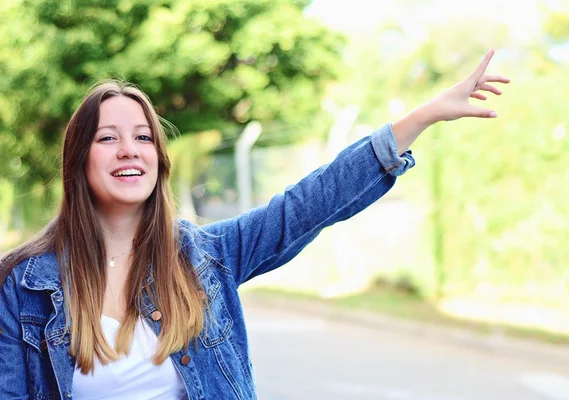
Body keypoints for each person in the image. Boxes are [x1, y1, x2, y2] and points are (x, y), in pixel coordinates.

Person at [0, 48, 509, 400]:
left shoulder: (205, 258)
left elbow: (306, 205)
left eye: (144, 137)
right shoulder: (23, 284)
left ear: (159, 158)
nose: (130, 149)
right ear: (78, 160)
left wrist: (419, 118)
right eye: (108, 138)